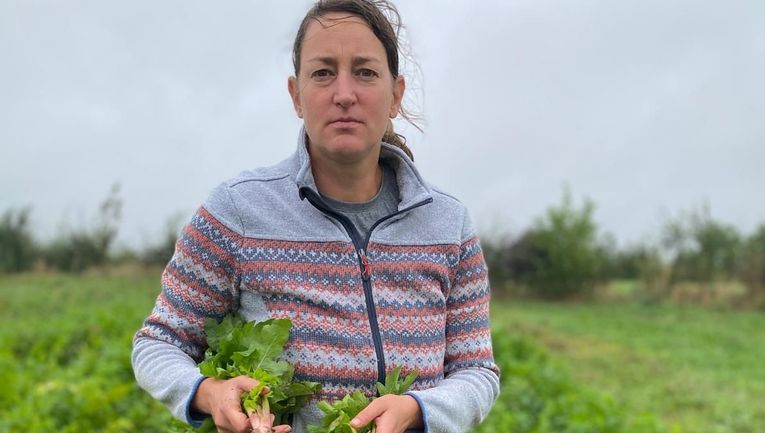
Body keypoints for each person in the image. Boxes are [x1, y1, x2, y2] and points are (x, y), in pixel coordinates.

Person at [132, 1, 500, 432]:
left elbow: (477, 371)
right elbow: (158, 343)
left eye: (365, 72)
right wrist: (208, 392)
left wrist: (419, 409)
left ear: (396, 94)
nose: (344, 93)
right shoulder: (238, 212)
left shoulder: (448, 224)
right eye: (323, 72)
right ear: (296, 95)